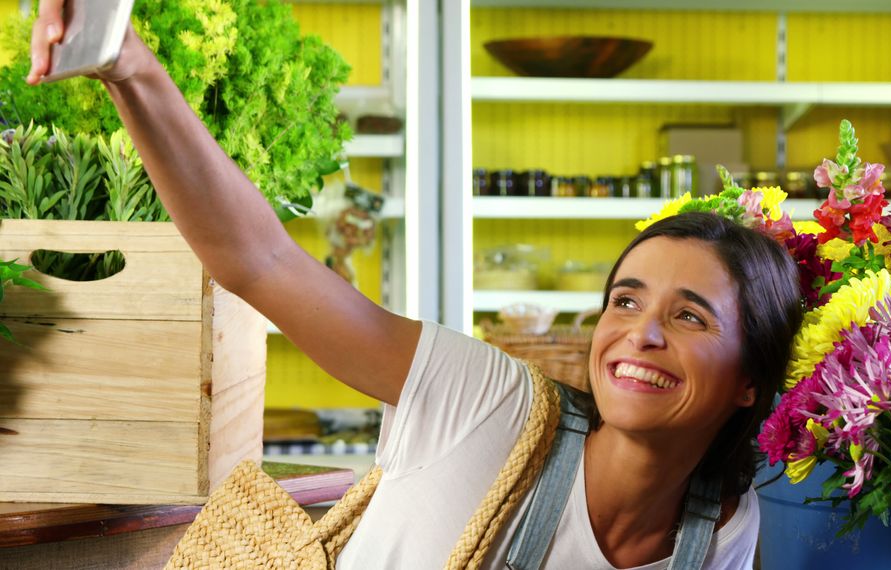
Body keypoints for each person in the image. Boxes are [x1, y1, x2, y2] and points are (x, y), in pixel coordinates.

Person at [27, 3, 802, 568]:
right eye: (625, 300)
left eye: (690, 316)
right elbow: (259, 262)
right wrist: (128, 65)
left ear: (750, 379)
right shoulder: (489, 404)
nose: (642, 331)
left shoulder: (722, 530)